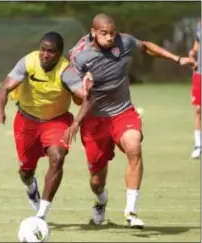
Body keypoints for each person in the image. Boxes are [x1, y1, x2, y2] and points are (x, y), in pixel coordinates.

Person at [61, 13, 197, 228]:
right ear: (93, 32)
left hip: (123, 111)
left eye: (112, 33)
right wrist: (83, 90)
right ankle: (101, 201)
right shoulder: (79, 56)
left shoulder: (123, 42)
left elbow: (146, 47)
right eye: (104, 34)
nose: (109, 38)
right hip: (95, 119)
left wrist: (177, 59)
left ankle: (131, 210)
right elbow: (75, 95)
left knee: (134, 146)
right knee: (97, 180)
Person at [0, 31, 81, 221]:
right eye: (43, 49)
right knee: (26, 171)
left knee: (57, 157)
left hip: (56, 120)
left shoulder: (67, 71)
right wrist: (0, 110)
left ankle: (41, 214)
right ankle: (31, 187)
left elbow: (84, 98)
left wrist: (85, 92)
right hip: (26, 120)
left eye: (51, 51)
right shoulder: (28, 62)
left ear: (59, 54)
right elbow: (4, 88)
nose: (45, 54)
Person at [188, 20, 201, 159]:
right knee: (198, 110)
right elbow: (197, 43)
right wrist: (193, 52)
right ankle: (198, 145)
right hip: (199, 73)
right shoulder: (199, 24)